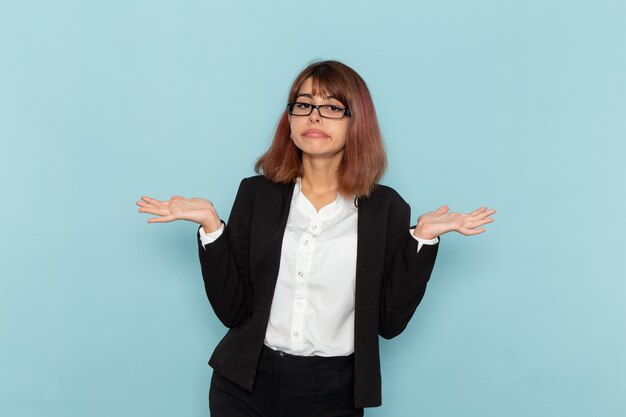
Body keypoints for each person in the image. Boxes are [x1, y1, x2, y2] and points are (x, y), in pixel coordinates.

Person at [136, 60, 495, 417]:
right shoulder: (256, 194)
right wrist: (212, 228)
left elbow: (389, 323)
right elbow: (233, 311)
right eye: (304, 104)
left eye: (332, 107)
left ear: (357, 121)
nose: (314, 116)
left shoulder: (386, 209)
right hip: (244, 385)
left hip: (332, 391)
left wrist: (423, 238)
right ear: (290, 120)